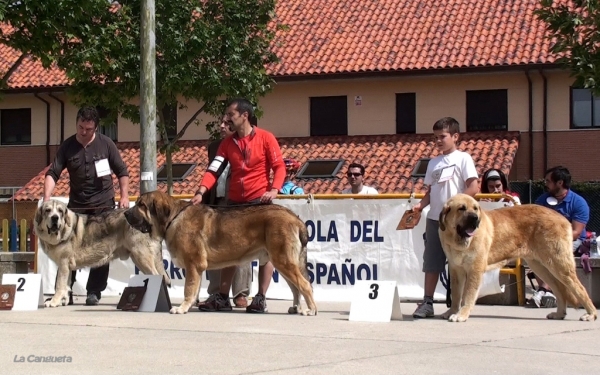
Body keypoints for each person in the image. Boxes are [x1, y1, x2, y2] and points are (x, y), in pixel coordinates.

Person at [191, 98, 286, 313]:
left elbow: (279, 167)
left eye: (230, 115)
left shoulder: (266, 138)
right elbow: (213, 171)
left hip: (259, 202)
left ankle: (260, 297)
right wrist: (200, 192)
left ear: (244, 115)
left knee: (266, 251)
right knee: (229, 250)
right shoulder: (226, 143)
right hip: (234, 204)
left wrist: (274, 190)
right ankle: (222, 297)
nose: (226, 120)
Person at [44, 106, 130, 306]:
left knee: (101, 250)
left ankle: (94, 292)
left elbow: (122, 171)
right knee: (67, 250)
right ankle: (65, 291)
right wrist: (47, 196)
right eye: (80, 127)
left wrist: (124, 196)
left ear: (96, 128)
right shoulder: (67, 146)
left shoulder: (106, 144)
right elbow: (53, 173)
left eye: (88, 129)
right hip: (77, 209)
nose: (83, 132)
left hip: (103, 207)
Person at [410, 117, 479, 318]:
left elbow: (473, 187)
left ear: (455, 136)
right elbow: (432, 191)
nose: (438, 141)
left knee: (461, 263)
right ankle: (427, 302)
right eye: (435, 137)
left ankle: (460, 305)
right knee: (431, 260)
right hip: (435, 219)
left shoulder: (463, 158)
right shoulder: (433, 162)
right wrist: (420, 205)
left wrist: (460, 209)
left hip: (458, 222)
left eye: (443, 136)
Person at [198, 115, 252, 309]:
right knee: (213, 249)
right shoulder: (214, 147)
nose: (221, 126)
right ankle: (215, 293)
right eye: (220, 123)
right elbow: (211, 173)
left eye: (226, 123)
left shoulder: (248, 144)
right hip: (216, 204)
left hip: (239, 203)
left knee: (242, 248)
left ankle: (241, 293)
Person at [527, 166, 590, 308]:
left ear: (560, 183)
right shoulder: (542, 201)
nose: (546, 184)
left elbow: (576, 232)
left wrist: (552, 242)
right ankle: (548, 293)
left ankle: (543, 290)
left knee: (553, 256)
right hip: (544, 241)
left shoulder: (578, 203)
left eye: (549, 181)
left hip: (571, 239)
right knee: (533, 255)